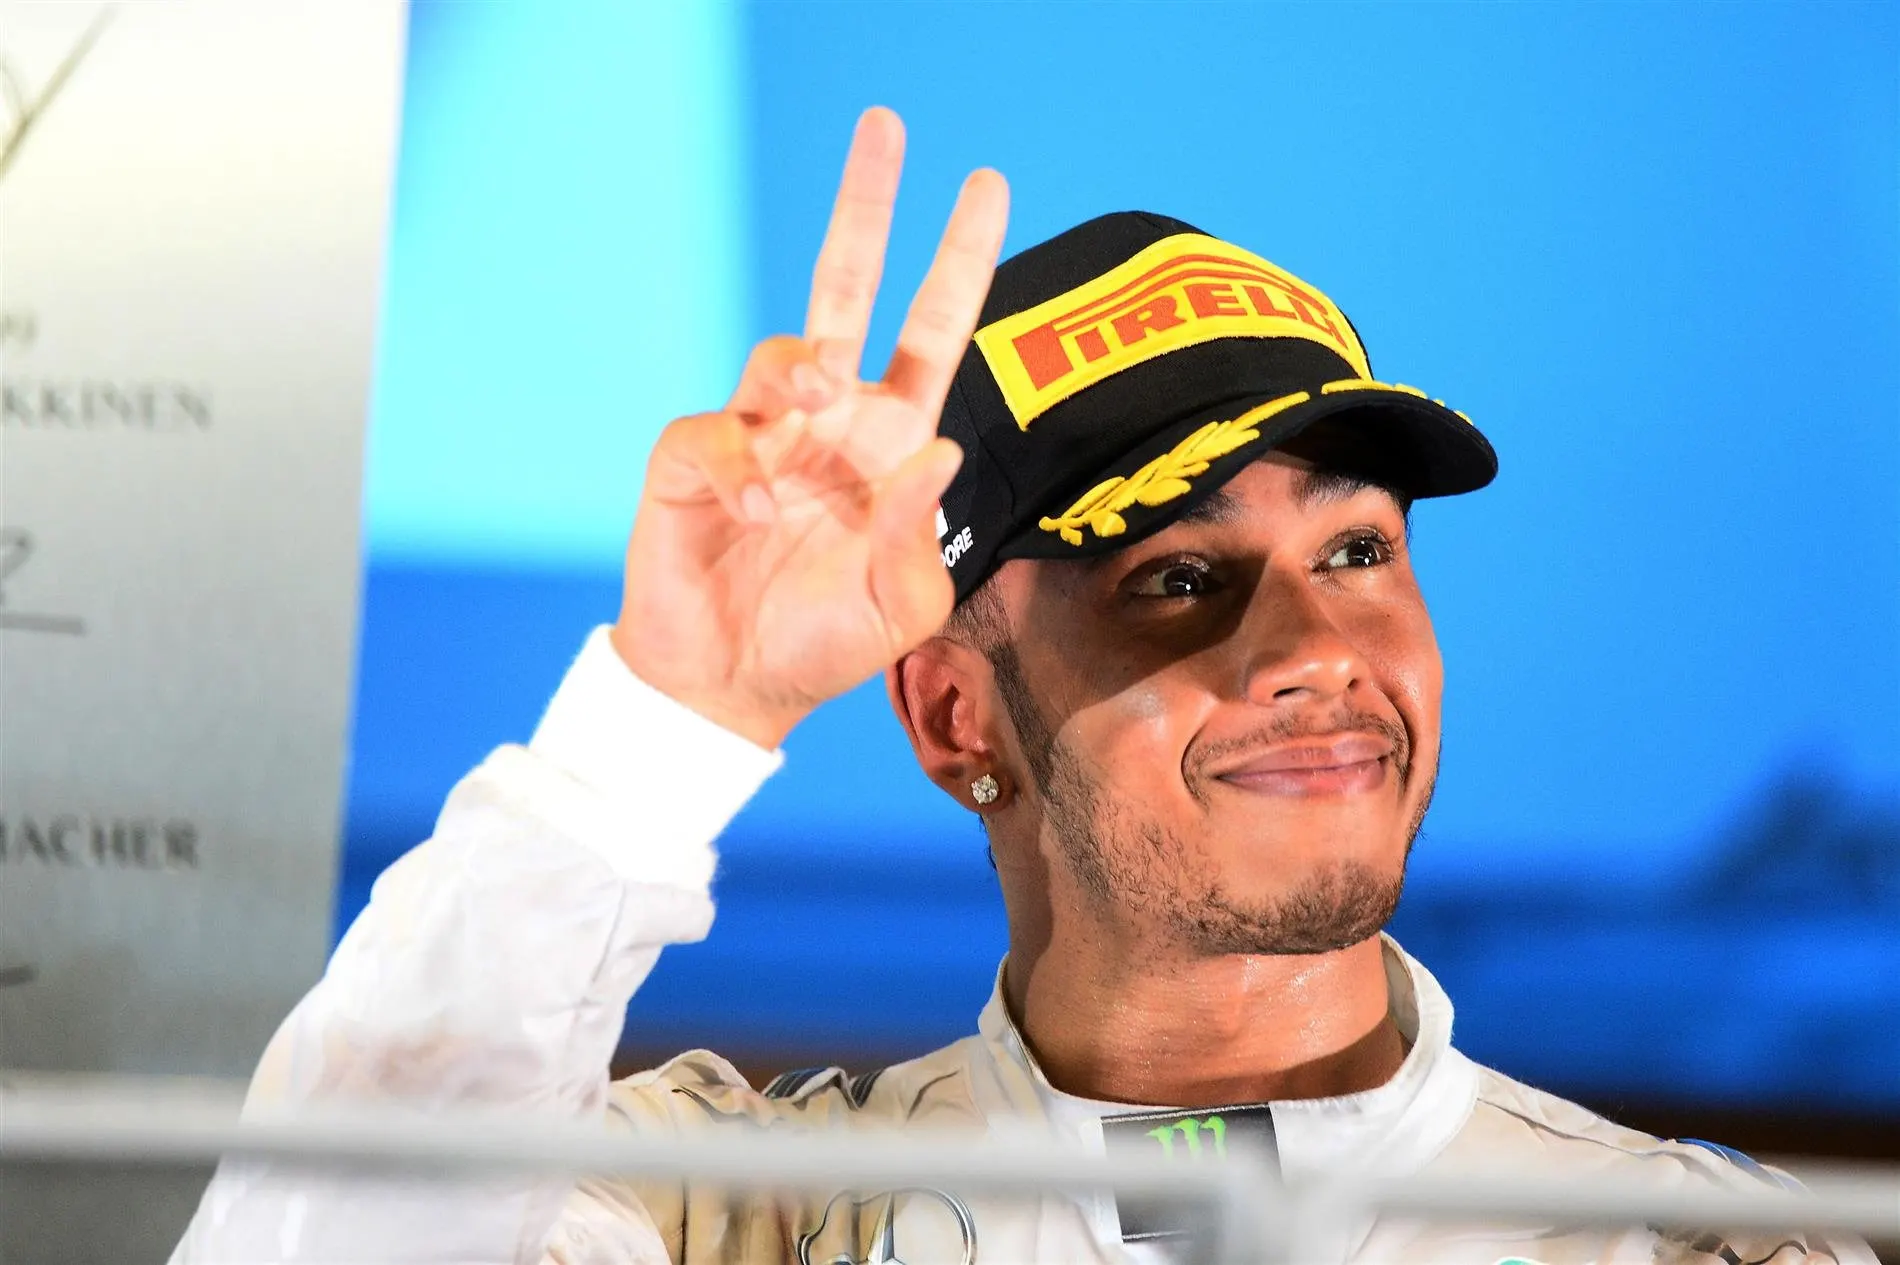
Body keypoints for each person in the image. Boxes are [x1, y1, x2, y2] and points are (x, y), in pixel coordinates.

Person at [172, 108, 1868, 1265]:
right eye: (1177, 580)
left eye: (1358, 552)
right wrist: (660, 723)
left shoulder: (1701, 1247)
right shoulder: (728, 1217)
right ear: (954, 717)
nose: (1316, 656)